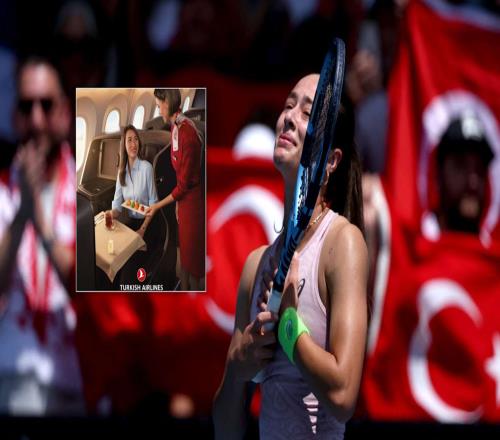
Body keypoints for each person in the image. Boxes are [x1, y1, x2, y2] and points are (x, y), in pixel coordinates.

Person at [213, 74, 368, 439]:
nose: (289, 117)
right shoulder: (256, 266)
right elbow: (226, 431)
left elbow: (343, 397)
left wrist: (288, 326)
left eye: (307, 113)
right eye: (288, 105)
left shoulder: (342, 243)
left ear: (331, 160)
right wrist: (237, 365)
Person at [0, 56, 84, 414]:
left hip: (78, 378)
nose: (36, 120)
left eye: (46, 106)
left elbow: (91, 292)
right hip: (12, 380)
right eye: (26, 106)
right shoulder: (2, 191)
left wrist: (41, 223)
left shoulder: (94, 192)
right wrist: (22, 216)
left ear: (65, 113)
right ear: (13, 116)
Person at [146, 88, 205, 291]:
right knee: (185, 257)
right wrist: (178, 204)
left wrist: (156, 206)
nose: (158, 110)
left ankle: (194, 293)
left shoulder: (188, 134)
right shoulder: (175, 128)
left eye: (158, 105)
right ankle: (184, 289)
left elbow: (183, 186)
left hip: (193, 205)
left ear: (167, 103)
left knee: (194, 263)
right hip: (184, 202)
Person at [108, 124, 158, 284]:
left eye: (136, 139)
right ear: (124, 145)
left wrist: (142, 229)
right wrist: (109, 214)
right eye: (129, 140)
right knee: (114, 260)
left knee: (128, 272)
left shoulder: (147, 168)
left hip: (148, 225)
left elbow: (154, 204)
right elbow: (117, 207)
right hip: (131, 225)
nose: (133, 144)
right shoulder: (121, 173)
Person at [433, 113, 493, 235]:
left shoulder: (494, 244)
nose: (473, 182)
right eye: (461, 166)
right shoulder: (408, 243)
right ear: (439, 175)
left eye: (479, 169)